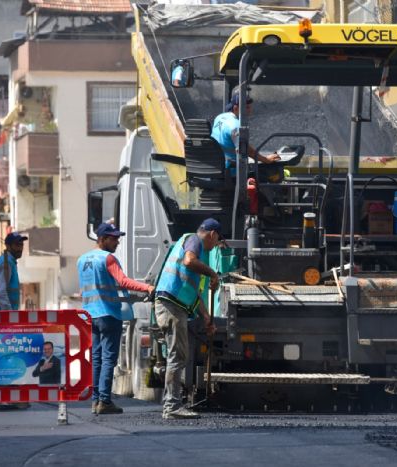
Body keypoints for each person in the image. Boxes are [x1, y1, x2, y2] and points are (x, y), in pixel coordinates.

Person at [77, 222, 154, 415]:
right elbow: (123, 281)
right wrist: (147, 288)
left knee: (96, 358)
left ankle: (95, 400)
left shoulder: (82, 259)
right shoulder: (108, 258)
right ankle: (104, 400)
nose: (117, 242)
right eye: (113, 238)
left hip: (88, 315)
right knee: (109, 359)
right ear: (102, 239)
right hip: (108, 313)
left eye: (118, 238)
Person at [155, 218, 222, 419]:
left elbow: (192, 292)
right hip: (171, 305)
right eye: (217, 241)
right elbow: (189, 261)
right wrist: (212, 274)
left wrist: (206, 317)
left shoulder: (193, 247)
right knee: (178, 356)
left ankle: (172, 404)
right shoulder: (194, 240)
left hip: (174, 305)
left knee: (178, 355)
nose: (215, 246)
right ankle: (172, 407)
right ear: (212, 234)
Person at [0, 232, 30, 410]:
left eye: (22, 245)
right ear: (9, 246)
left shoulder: (8, 262)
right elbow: (0, 292)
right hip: (0, 318)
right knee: (3, 357)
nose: (20, 248)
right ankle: (2, 398)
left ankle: (5, 397)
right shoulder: (6, 263)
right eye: (17, 245)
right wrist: (9, 315)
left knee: (3, 356)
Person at [211, 93, 280, 177]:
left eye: (250, 107)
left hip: (217, 166)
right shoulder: (236, 126)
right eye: (247, 107)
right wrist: (266, 159)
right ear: (235, 108)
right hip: (232, 171)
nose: (250, 110)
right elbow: (247, 150)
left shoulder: (220, 117)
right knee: (271, 175)